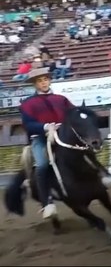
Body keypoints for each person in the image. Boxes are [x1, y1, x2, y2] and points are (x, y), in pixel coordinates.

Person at [19, 68, 75, 219]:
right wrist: (45, 127)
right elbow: (28, 125)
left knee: (83, 151)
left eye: (45, 79)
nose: (43, 83)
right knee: (42, 165)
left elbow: (73, 113)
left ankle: (99, 177)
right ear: (35, 84)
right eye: (39, 81)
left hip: (63, 136)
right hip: (41, 138)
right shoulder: (28, 103)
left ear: (49, 80)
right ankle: (47, 203)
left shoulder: (61, 99)